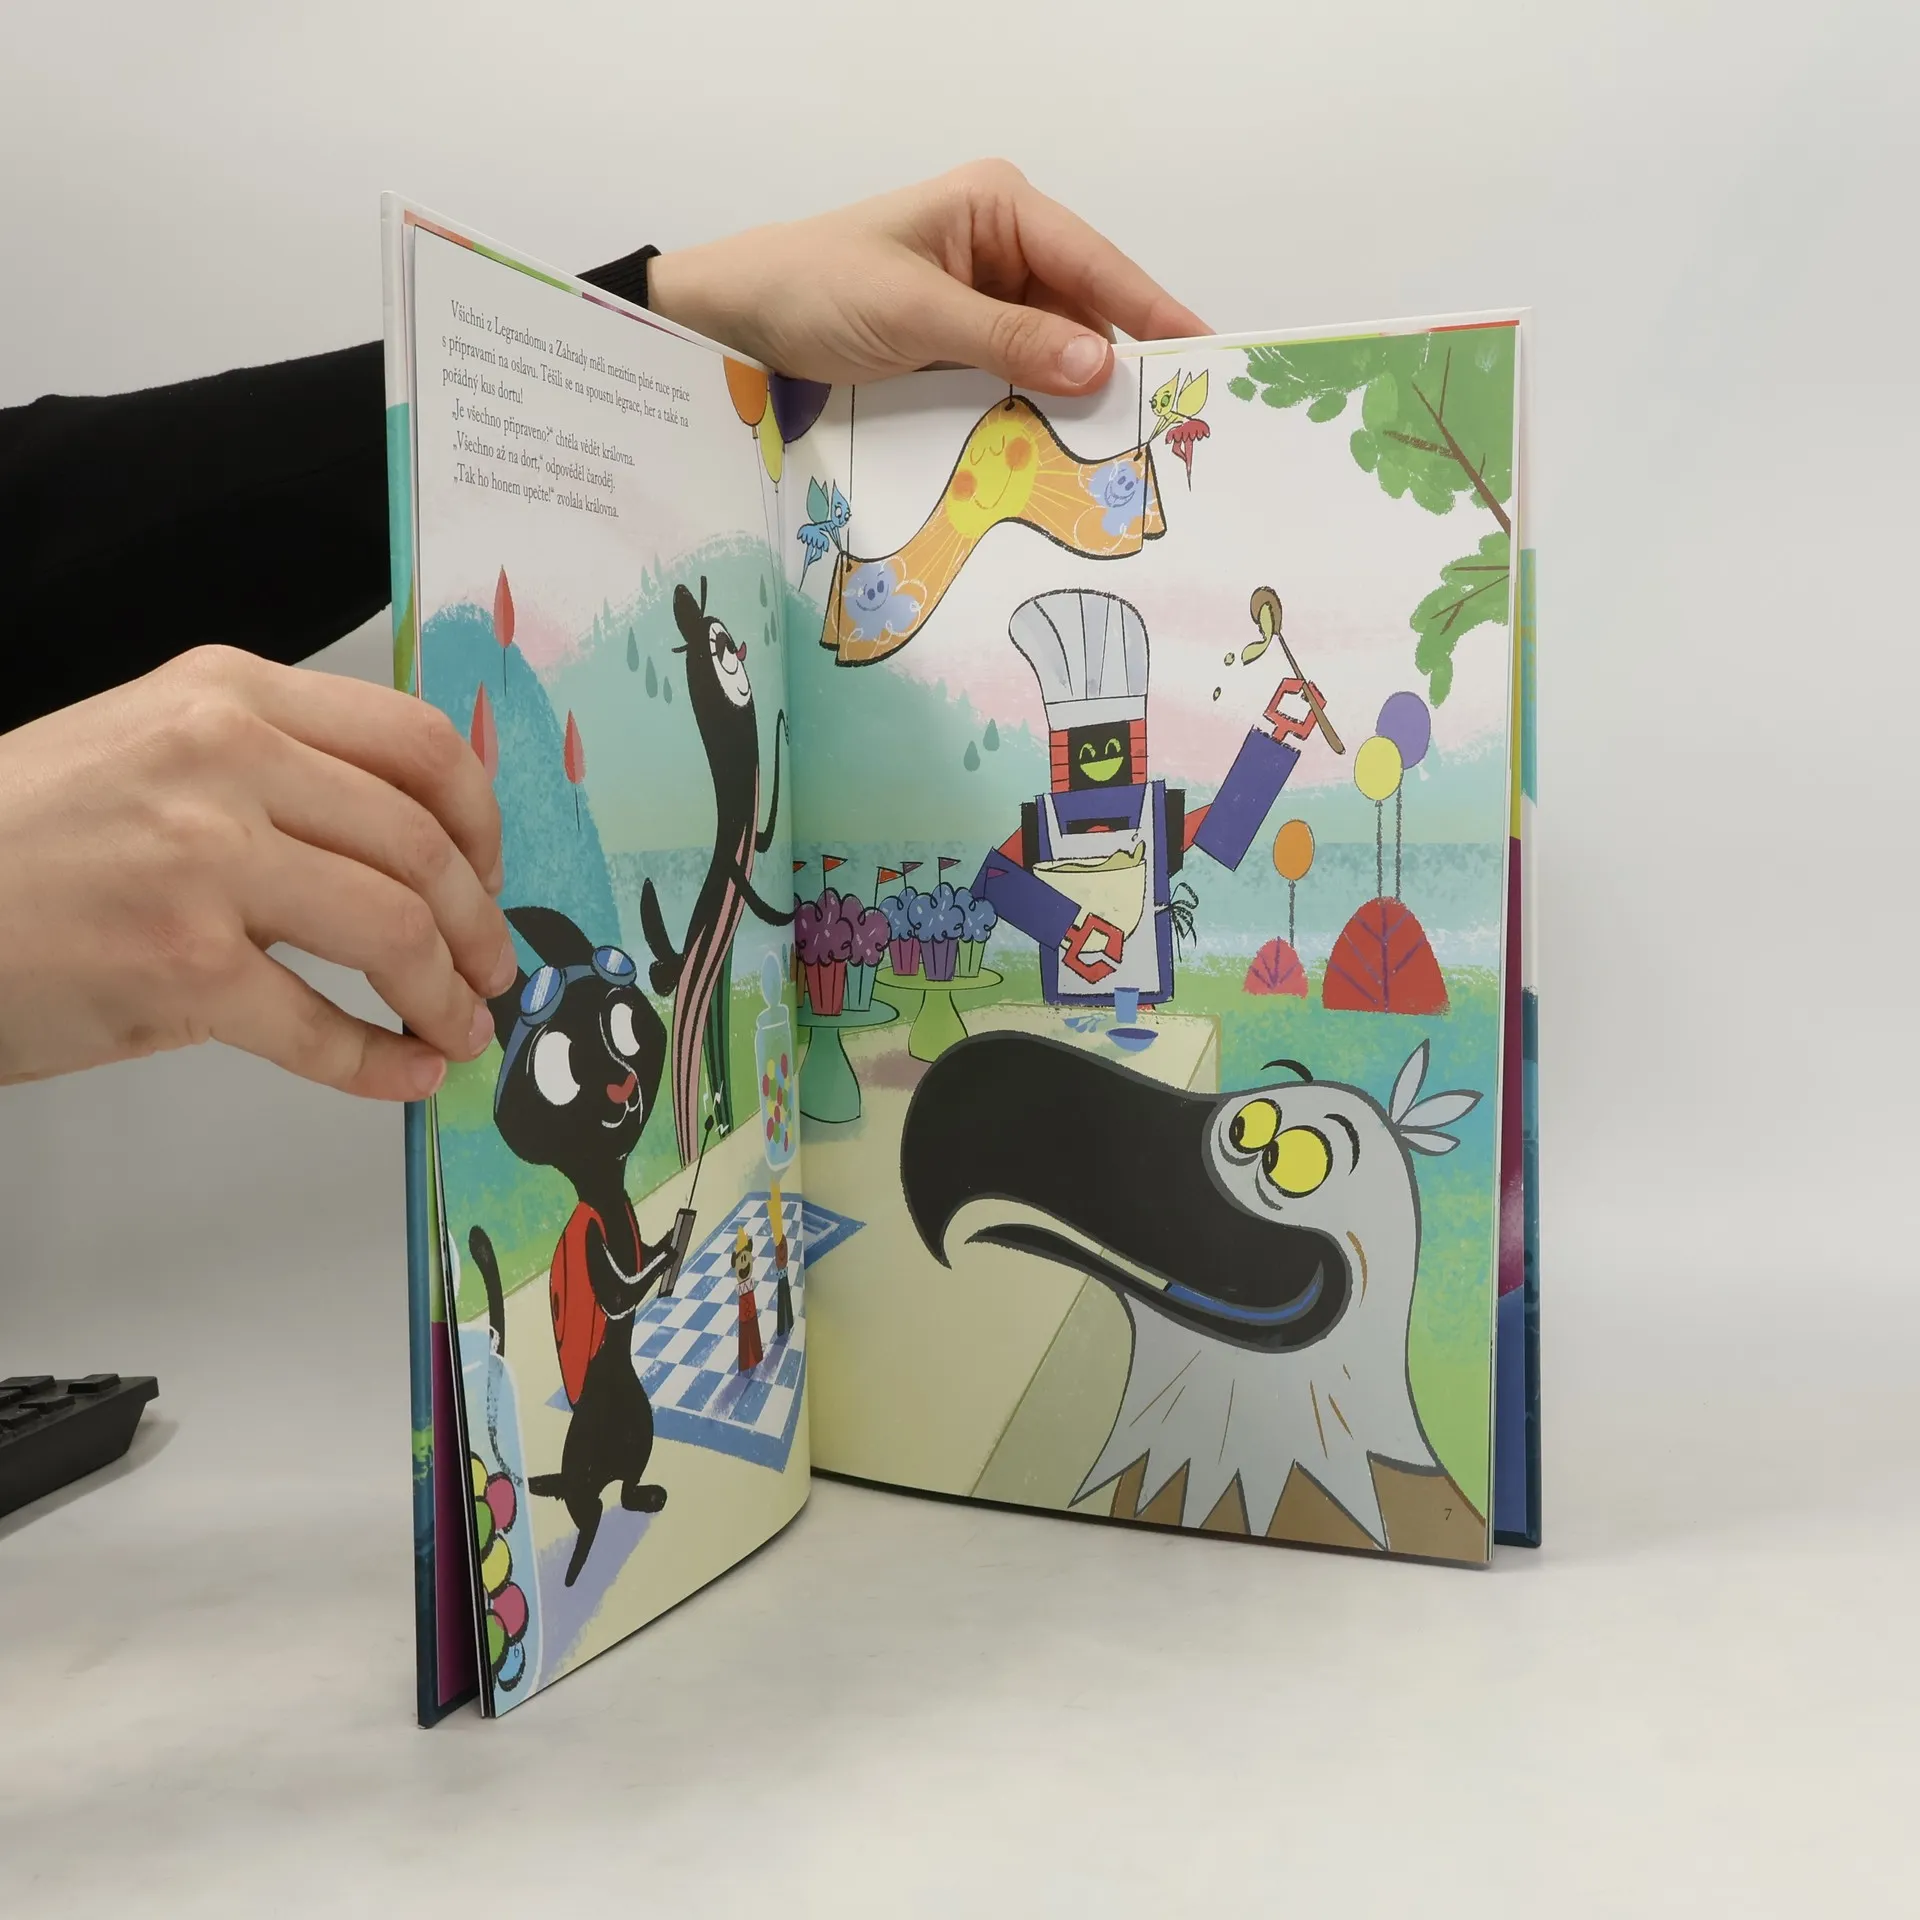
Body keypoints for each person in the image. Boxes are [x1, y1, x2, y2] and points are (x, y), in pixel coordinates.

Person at [0, 161, 1205, 1102]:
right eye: (1086, 741)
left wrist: (653, 319)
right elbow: (1007, 875)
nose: (1095, 762)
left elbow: (43, 526)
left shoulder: (1132, 818)